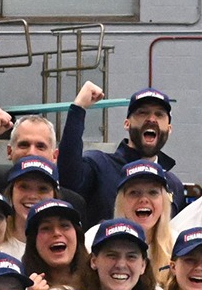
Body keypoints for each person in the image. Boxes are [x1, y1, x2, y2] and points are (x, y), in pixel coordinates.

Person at [60, 84, 182, 222]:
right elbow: (68, 181)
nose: (152, 119)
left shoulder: (173, 185)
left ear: (169, 128)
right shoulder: (99, 166)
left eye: (159, 114)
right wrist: (78, 108)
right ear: (126, 124)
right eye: (143, 112)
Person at [112, 159, 177, 272]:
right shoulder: (95, 239)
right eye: (134, 192)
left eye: (153, 192)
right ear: (121, 200)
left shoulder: (177, 244)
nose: (143, 200)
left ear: (164, 200)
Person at [21, 197, 90, 290]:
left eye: (64, 225)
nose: (56, 233)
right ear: (33, 241)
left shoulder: (99, 281)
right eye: (46, 228)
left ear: (77, 235)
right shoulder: (20, 285)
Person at [1, 155, 62, 257]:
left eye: (42, 189)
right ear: (11, 192)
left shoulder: (67, 246)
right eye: (24, 187)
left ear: (55, 196)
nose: (32, 196)